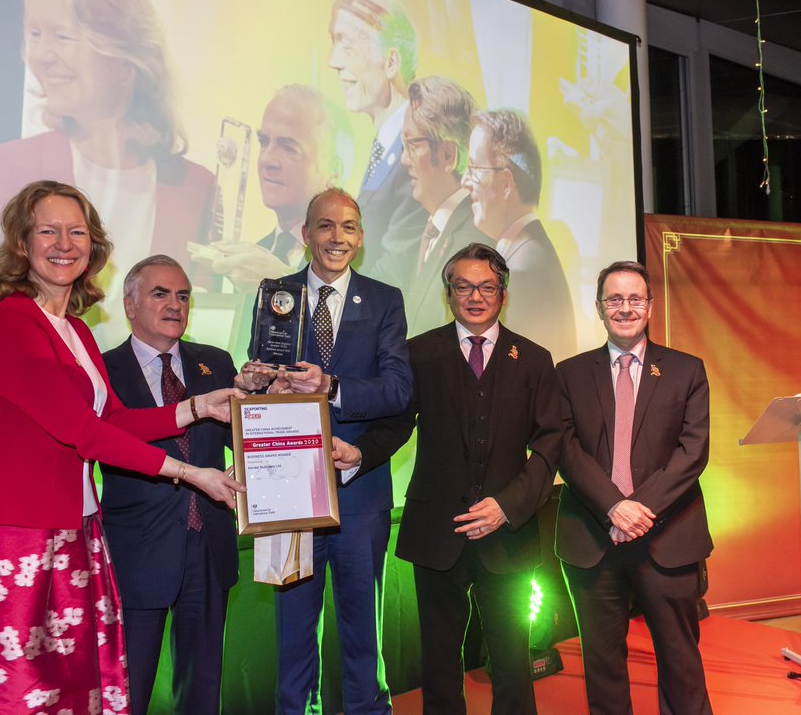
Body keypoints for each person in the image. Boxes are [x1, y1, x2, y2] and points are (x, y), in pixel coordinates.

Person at [0, 180, 244, 715]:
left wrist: (198, 408)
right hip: (11, 534)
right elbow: (82, 432)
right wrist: (189, 471)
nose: (65, 243)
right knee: (10, 691)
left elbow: (112, 418)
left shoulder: (76, 331)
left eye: (77, 232)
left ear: (94, 246)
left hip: (74, 528)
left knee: (68, 685)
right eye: (48, 230)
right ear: (22, 243)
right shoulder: (7, 325)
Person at [337, 243, 562, 715]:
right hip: (436, 531)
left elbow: (549, 447)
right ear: (448, 293)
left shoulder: (536, 360)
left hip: (508, 532)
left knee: (512, 659)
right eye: (463, 286)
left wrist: (506, 506)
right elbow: (397, 424)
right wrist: (360, 452)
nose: (474, 296)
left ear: (503, 293)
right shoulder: (419, 353)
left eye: (485, 287)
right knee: (439, 663)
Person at [0, 0, 219, 339]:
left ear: (126, 59)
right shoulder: (1, 168)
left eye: (63, 36)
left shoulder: (195, 186)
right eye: (35, 34)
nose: (42, 56)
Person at [240, 188, 412, 715]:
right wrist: (254, 383)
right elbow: (260, 375)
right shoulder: (276, 294)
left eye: (349, 227)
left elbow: (399, 390)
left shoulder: (384, 300)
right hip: (289, 494)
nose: (338, 237)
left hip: (359, 494)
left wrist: (332, 385)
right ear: (306, 233)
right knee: (294, 634)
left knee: (364, 633)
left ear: (360, 238)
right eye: (326, 226)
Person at [555, 260, 714, 715]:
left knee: (681, 661)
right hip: (592, 535)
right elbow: (565, 449)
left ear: (650, 305)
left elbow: (693, 452)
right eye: (614, 300)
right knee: (602, 664)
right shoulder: (569, 374)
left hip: (668, 534)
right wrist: (613, 508)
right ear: (600, 308)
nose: (625, 308)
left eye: (634, 299)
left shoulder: (687, 370)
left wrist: (638, 508)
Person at [99, 255, 240, 715]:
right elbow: (108, 441)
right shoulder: (102, 371)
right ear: (130, 305)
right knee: (129, 688)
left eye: (183, 295)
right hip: (137, 549)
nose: (174, 304)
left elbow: (244, 437)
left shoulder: (215, 362)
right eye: (160, 294)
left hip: (209, 541)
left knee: (202, 688)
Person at [327, 0, 426, 275]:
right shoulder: (384, 145)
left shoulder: (418, 152)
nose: (333, 62)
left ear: (391, 62)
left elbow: (396, 271)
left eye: (347, 47)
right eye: (333, 43)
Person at [462, 108, 575, 360]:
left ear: (505, 183)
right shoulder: (531, 251)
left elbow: (519, 372)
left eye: (473, 168)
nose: (464, 181)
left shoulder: (523, 271)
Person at [212, 84, 353, 286]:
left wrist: (283, 282)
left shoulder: (359, 261)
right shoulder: (249, 263)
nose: (267, 160)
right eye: (263, 142)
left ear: (333, 171)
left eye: (288, 148)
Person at [396, 76, 489, 336]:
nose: (404, 159)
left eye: (411, 144)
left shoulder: (476, 241)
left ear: (449, 155)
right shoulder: (426, 229)